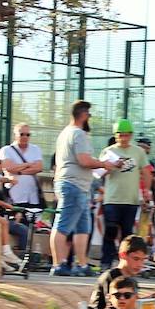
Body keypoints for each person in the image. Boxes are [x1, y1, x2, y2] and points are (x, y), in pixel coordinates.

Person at [51, 100, 119, 277]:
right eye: (88, 113)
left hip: (77, 185)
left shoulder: (65, 133)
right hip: (73, 185)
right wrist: (104, 164)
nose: (90, 117)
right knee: (62, 226)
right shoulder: (78, 134)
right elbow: (84, 161)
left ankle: (82, 264)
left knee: (83, 228)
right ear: (82, 114)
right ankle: (58, 264)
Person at [99, 119, 152, 266]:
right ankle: (106, 261)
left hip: (131, 199)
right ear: (115, 135)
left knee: (127, 234)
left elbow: (146, 172)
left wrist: (146, 190)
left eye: (126, 135)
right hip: (112, 198)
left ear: (131, 135)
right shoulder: (109, 151)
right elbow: (99, 172)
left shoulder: (138, 152)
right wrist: (110, 166)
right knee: (110, 230)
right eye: (120, 135)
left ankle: (126, 263)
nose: (123, 139)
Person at [87, 234, 155, 309]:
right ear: (122, 255)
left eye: (142, 260)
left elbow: (134, 304)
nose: (140, 264)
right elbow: (123, 307)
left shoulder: (131, 280)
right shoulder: (111, 277)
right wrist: (154, 297)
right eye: (136, 259)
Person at [0, 122, 44, 207]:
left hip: (32, 195)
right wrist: (29, 164)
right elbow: (9, 168)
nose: (25, 137)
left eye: (28, 134)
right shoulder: (6, 150)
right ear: (15, 134)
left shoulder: (35, 149)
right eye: (22, 134)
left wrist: (19, 170)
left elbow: (39, 167)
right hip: (14, 193)